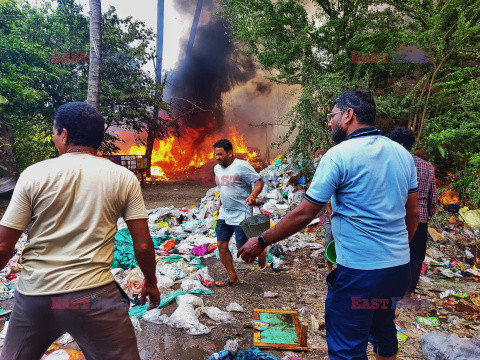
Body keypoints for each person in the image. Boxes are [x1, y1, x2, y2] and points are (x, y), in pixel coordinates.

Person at [238, 89, 420, 360]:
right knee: (383, 330)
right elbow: (413, 213)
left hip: (360, 274)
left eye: (332, 115)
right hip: (396, 271)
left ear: (349, 115)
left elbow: (304, 214)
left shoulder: (338, 155)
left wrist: (261, 240)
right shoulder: (402, 155)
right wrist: (399, 248)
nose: (329, 122)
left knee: (347, 349)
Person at [0, 102, 160, 360]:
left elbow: (3, 246)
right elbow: (142, 245)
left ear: (63, 134)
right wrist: (150, 283)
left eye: (54, 132)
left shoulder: (34, 174)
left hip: (34, 297)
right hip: (95, 299)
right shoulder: (123, 178)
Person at [386, 127, 437, 295]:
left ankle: (391, 287)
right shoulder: (427, 166)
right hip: (420, 218)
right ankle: (408, 291)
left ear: (399, 144)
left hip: (396, 217)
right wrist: (428, 212)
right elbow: (432, 197)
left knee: (393, 253)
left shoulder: (392, 164)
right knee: (416, 256)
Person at [213, 139, 265, 287]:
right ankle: (232, 276)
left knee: (243, 249)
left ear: (230, 153)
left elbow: (259, 181)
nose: (217, 157)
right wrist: (221, 203)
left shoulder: (242, 166)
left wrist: (253, 195)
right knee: (221, 245)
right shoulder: (217, 168)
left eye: (220, 154)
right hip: (225, 213)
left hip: (241, 212)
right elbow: (223, 188)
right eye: (215, 154)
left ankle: (261, 250)